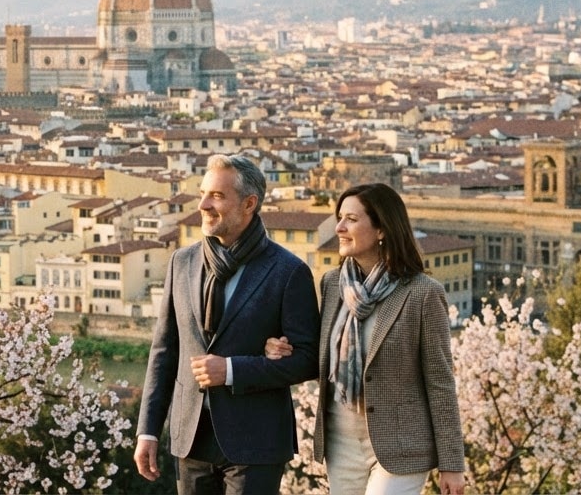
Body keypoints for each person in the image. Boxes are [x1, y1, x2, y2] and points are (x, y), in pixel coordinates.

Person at [135, 153, 320, 494]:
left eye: (217, 196)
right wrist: (147, 430)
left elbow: (308, 359)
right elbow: (165, 351)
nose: (203, 204)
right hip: (190, 435)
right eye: (203, 193)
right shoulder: (182, 262)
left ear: (249, 203)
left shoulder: (288, 271)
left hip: (256, 440)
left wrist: (233, 370)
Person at [265, 183, 466, 495]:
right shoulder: (333, 284)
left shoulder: (422, 293)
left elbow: (440, 381)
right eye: (339, 218)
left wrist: (452, 463)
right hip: (341, 443)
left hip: (401, 446)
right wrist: (279, 348)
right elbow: (322, 352)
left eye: (351, 220)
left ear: (382, 228)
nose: (340, 228)